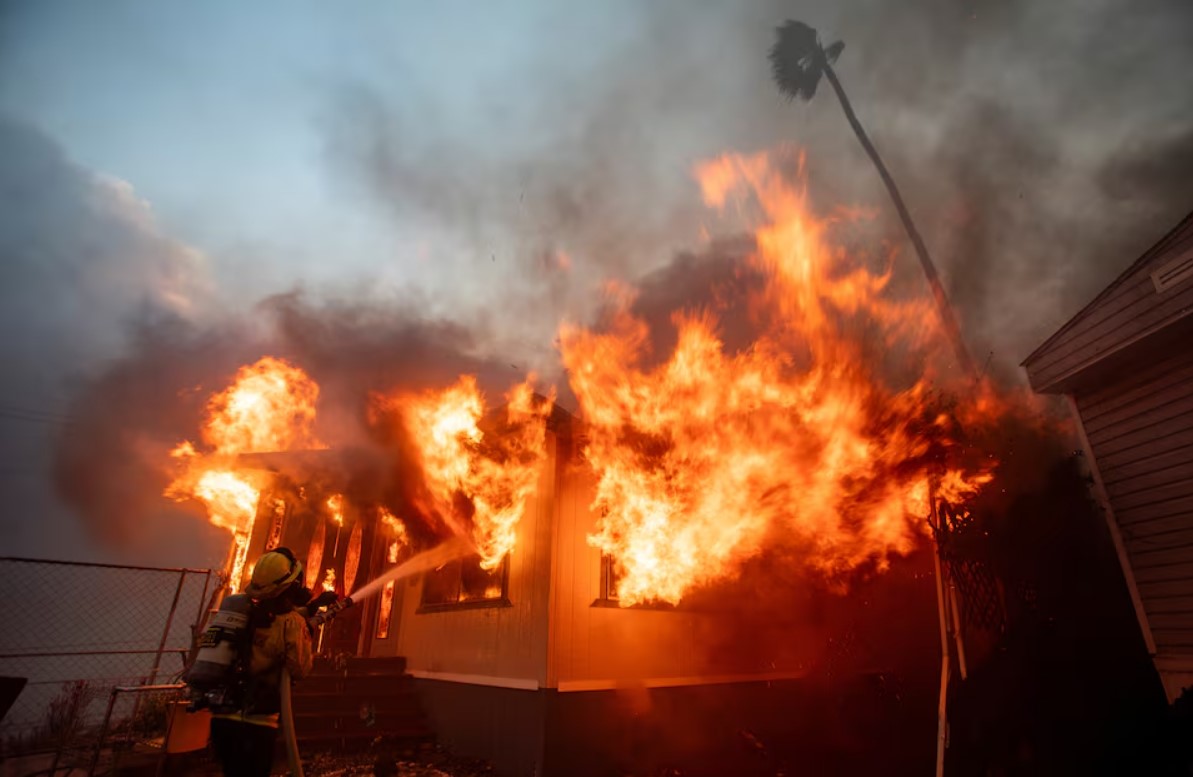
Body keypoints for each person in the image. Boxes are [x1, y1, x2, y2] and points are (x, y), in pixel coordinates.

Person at [209, 547, 333, 777]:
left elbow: (277, 618)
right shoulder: (290, 624)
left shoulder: (243, 609)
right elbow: (300, 669)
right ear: (292, 585)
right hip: (257, 723)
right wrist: (305, 634)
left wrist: (314, 607)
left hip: (222, 718)